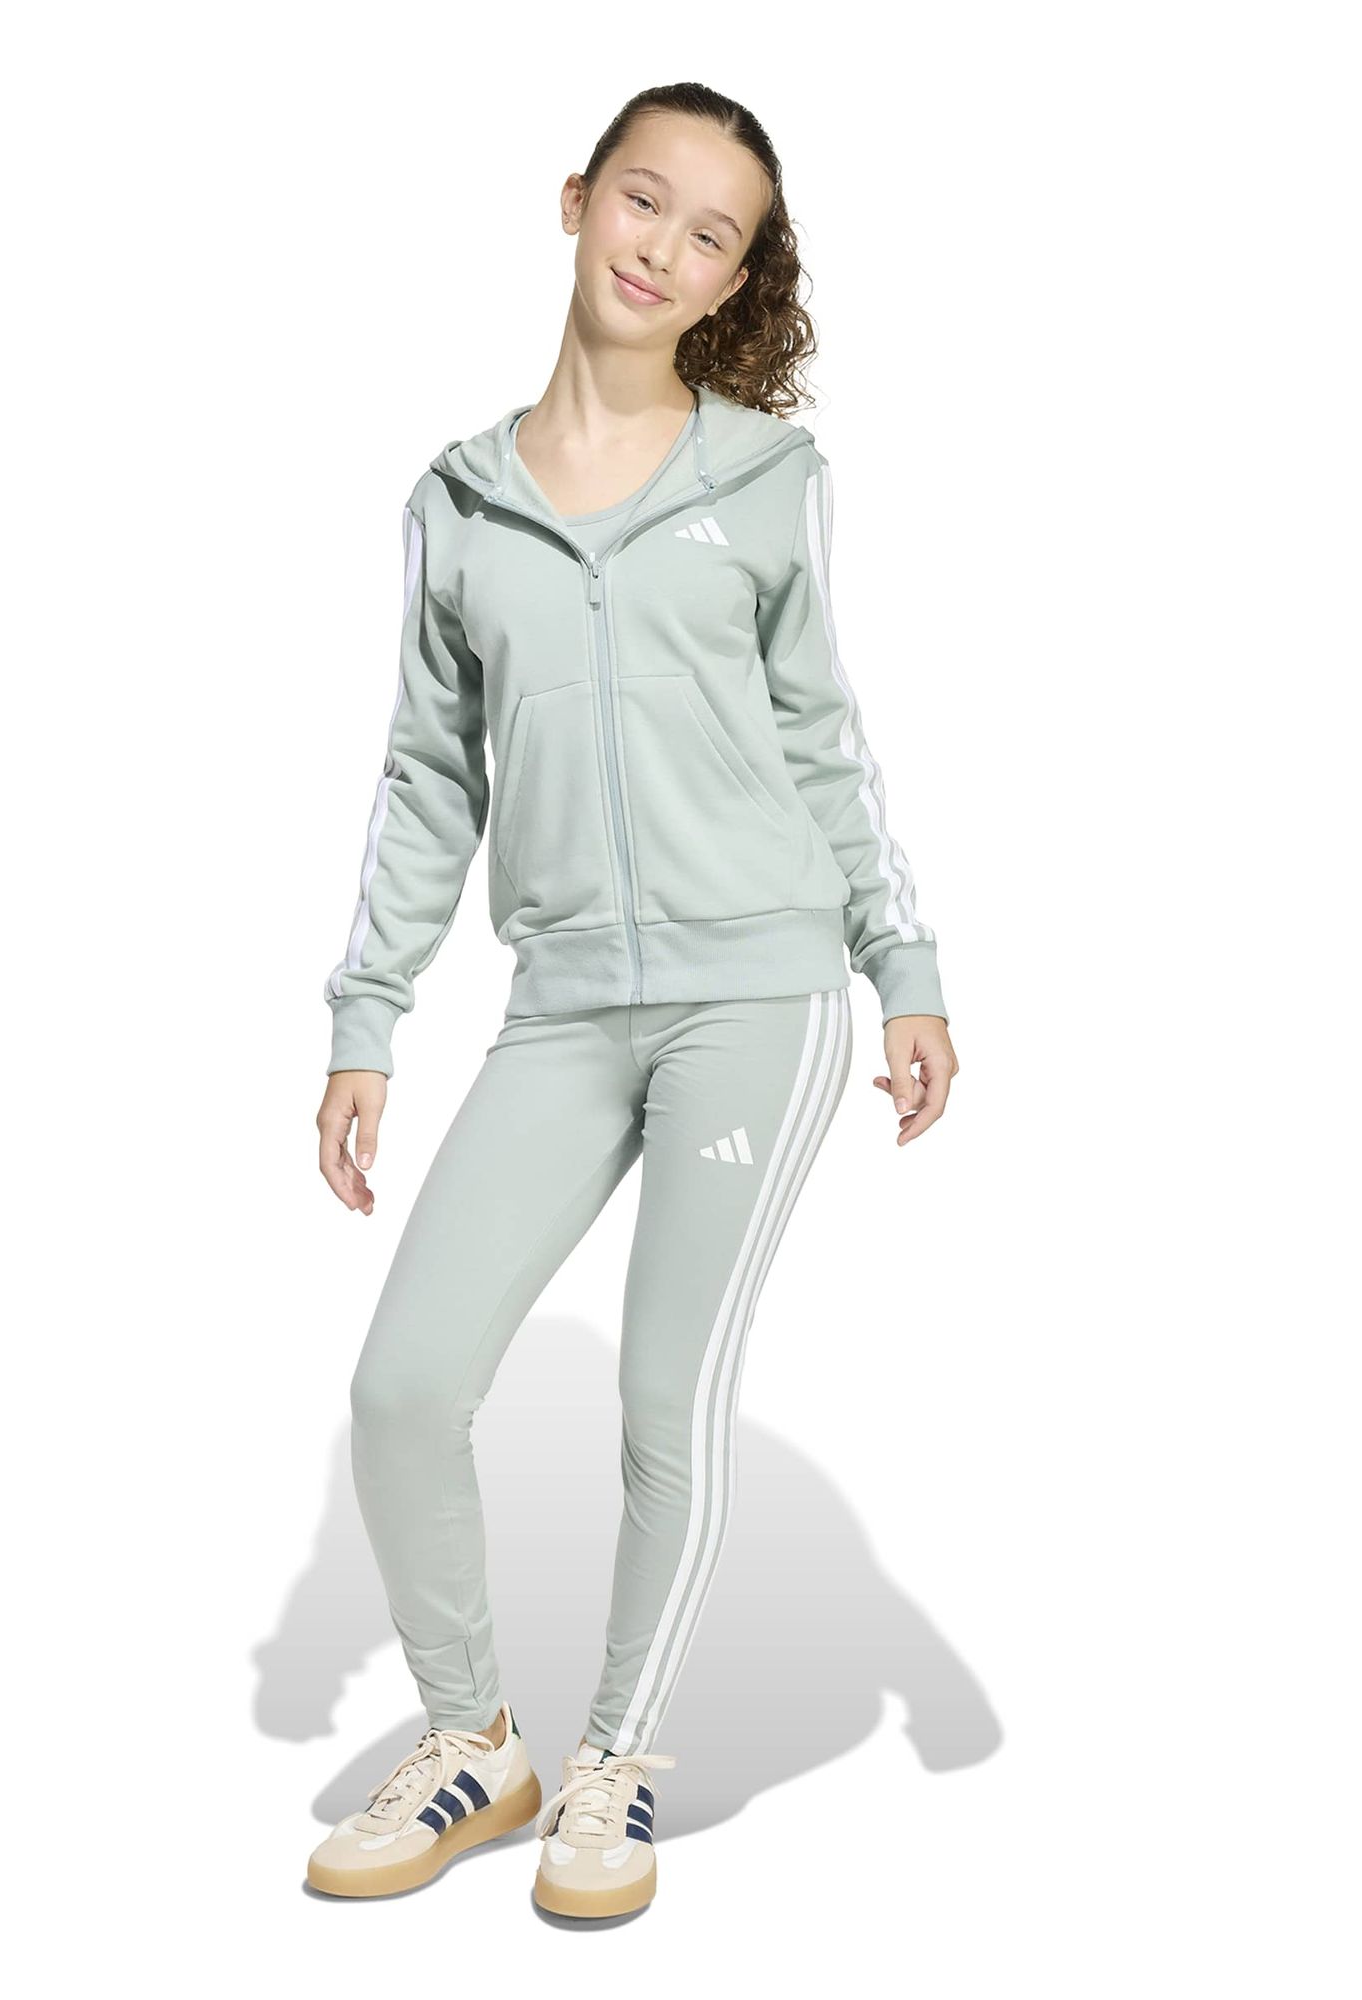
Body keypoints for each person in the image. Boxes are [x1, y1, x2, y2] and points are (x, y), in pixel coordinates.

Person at [305, 81, 958, 1921]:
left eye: (711, 235)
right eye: (643, 202)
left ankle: (614, 1765)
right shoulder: (459, 501)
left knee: (665, 1393)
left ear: (737, 279)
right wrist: (368, 1017)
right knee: (403, 1385)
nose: (663, 249)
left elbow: (824, 740)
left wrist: (904, 968)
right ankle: (475, 1743)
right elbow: (426, 776)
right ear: (577, 198)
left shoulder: (766, 482)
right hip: (565, 1003)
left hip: (762, 992)